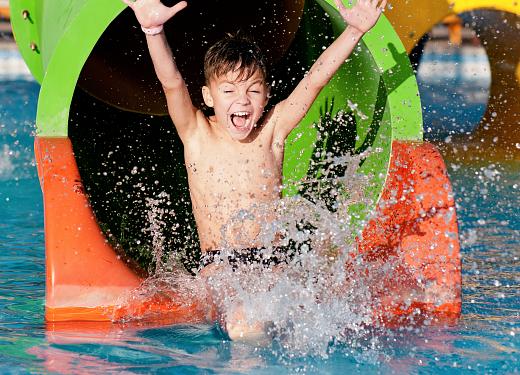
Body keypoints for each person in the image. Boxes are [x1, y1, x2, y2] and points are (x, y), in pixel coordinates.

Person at [123, 0, 386, 342]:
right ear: (208, 96)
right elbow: (171, 82)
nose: (242, 100)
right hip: (220, 266)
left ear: (267, 96)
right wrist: (153, 30)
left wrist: (354, 31)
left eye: (253, 90)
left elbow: (315, 81)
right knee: (245, 322)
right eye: (229, 91)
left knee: (329, 313)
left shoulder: (273, 130)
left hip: (273, 262)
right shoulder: (196, 133)